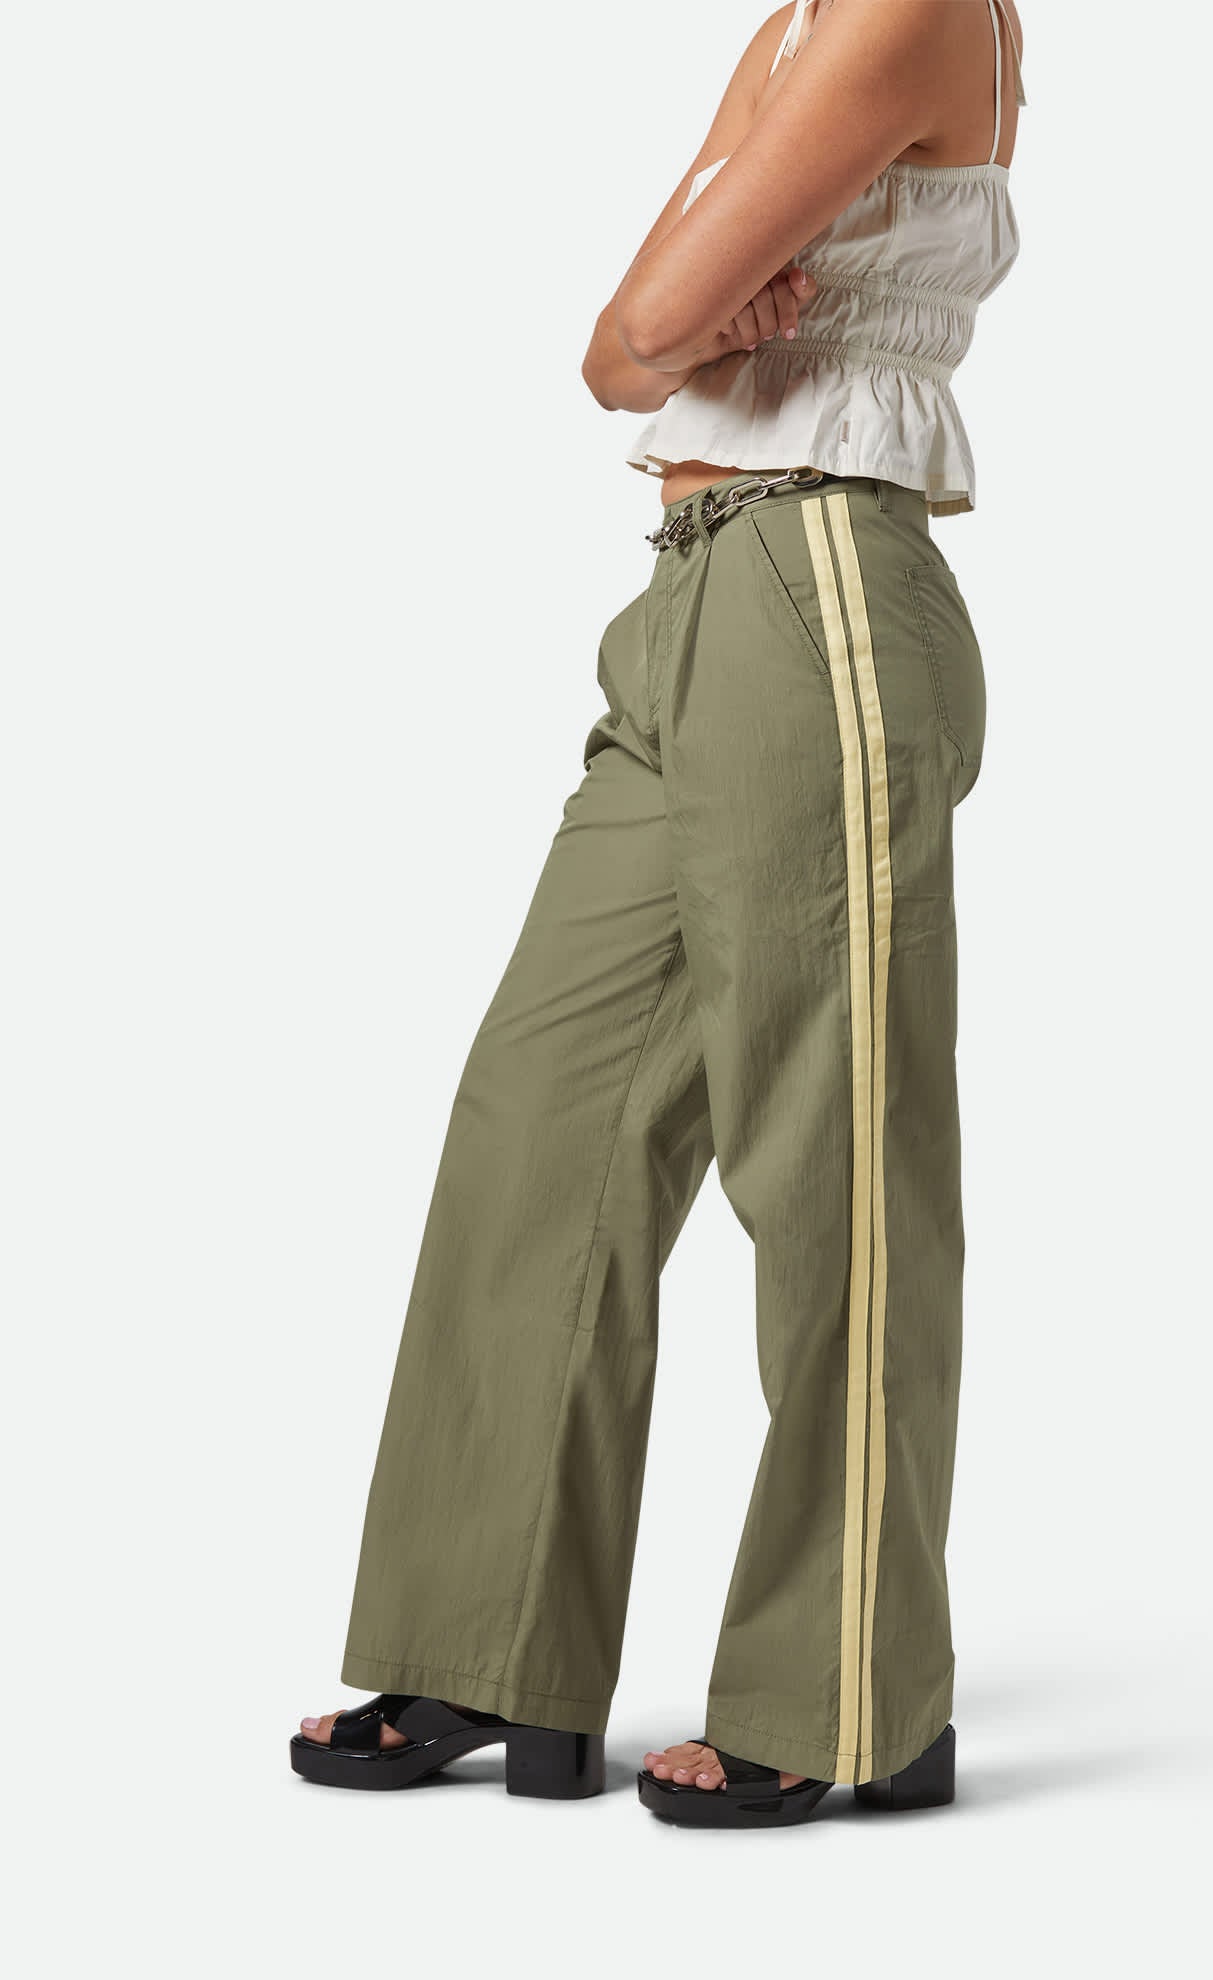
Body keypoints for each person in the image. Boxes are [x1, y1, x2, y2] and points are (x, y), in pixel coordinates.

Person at [290, 0, 1027, 1831]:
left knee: (831, 1166)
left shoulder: (911, 7)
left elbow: (651, 320)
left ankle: (849, 1695)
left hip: (818, 584)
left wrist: (674, 321)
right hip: (690, 593)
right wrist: (664, 325)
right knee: (540, 1120)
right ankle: (488, 1647)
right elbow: (614, 359)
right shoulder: (794, 20)